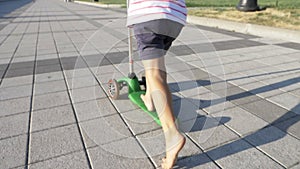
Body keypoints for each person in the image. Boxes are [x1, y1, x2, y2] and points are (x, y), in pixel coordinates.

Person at [127, 0, 187, 168]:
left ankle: (172, 135)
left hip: (148, 13)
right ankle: (149, 98)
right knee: (157, 69)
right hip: (175, 16)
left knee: (153, 73)